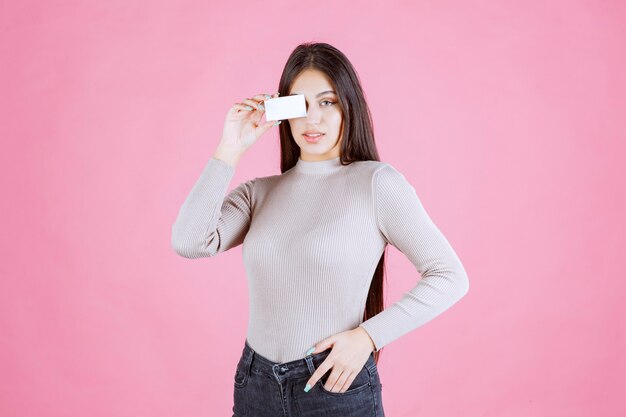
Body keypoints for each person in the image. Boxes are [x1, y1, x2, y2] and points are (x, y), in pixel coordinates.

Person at [171, 42, 469, 417]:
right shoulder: (259, 193)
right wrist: (230, 148)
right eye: (300, 105)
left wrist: (367, 337)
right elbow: (189, 241)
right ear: (283, 112)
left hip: (334, 387)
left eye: (327, 102)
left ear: (349, 106)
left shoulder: (376, 183)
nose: (313, 119)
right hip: (255, 385)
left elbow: (449, 276)